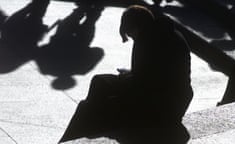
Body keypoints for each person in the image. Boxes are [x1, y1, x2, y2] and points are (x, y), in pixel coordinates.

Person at [60, 5, 193, 144]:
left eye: (130, 33)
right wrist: (130, 74)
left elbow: (144, 83)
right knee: (99, 85)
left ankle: (70, 137)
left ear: (136, 28)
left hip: (162, 105)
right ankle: (77, 129)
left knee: (93, 102)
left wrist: (127, 77)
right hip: (173, 99)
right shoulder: (164, 32)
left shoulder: (147, 41)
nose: (131, 37)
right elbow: (153, 74)